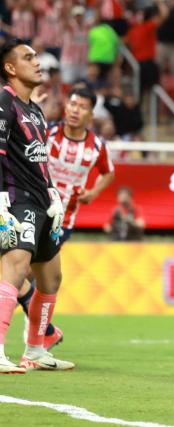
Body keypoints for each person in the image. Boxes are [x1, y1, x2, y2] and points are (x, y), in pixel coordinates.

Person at [16, 86, 116, 350]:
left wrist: (93, 192)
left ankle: (38, 337)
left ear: (91, 114)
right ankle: (43, 333)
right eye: (72, 104)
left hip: (63, 221)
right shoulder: (47, 133)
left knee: (29, 274)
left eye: (82, 107)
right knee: (20, 272)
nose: (75, 110)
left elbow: (109, 173)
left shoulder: (97, 147)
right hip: (32, 208)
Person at [0, 38, 74, 373]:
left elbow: (39, 159)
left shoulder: (35, 111)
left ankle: (35, 350)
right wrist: (1, 200)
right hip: (17, 199)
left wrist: (53, 193)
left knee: (51, 278)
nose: (37, 61)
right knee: (15, 270)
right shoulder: (4, 101)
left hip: (41, 200)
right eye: (28, 57)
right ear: (10, 68)